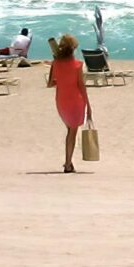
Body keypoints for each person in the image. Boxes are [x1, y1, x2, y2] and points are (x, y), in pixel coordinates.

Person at [47, 34, 92, 172]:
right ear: (73, 49)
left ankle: (69, 162)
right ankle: (67, 163)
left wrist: (60, 78)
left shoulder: (55, 64)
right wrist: (88, 106)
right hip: (76, 100)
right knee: (72, 132)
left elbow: (50, 83)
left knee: (70, 131)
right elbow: (81, 86)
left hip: (61, 101)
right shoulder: (78, 65)